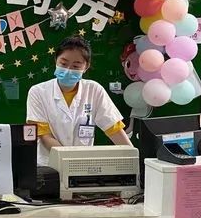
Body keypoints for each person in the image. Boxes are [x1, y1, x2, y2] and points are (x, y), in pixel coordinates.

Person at [26, 36, 132, 166]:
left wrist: (133, 158)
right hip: (49, 165)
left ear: (86, 67)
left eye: (76, 66)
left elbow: (114, 128)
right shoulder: (38, 92)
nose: (68, 70)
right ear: (56, 61)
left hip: (83, 165)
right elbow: (44, 135)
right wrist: (70, 161)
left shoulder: (94, 90)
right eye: (63, 64)